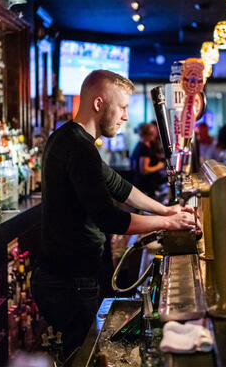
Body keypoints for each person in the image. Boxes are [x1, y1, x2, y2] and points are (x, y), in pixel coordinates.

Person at [31, 70, 196, 357]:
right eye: (122, 107)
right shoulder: (79, 148)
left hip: (65, 276)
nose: (125, 117)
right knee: (83, 356)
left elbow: (120, 186)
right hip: (69, 281)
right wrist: (169, 222)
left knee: (87, 351)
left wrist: (165, 209)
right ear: (99, 104)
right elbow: (111, 219)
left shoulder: (70, 139)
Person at [130, 122, 166, 198]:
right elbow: (144, 170)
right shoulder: (144, 148)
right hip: (145, 185)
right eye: (152, 133)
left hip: (149, 183)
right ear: (145, 134)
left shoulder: (149, 144)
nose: (155, 134)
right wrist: (159, 166)